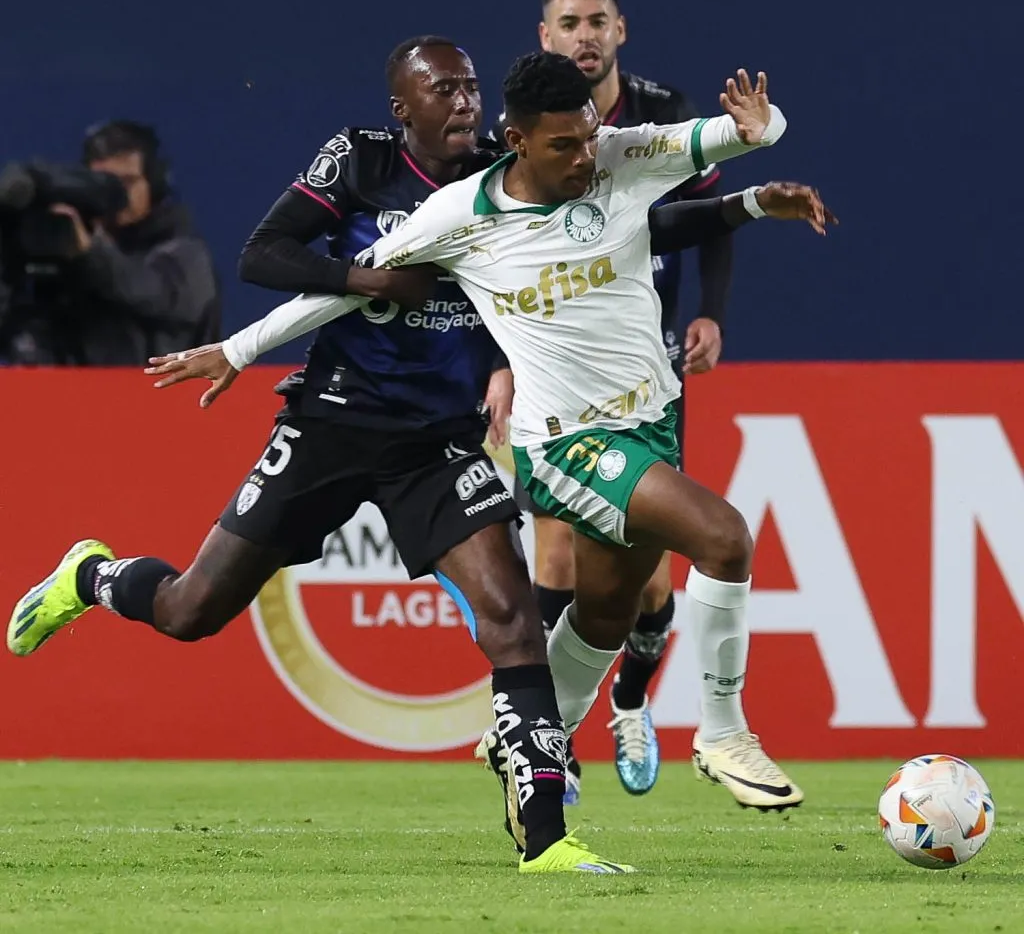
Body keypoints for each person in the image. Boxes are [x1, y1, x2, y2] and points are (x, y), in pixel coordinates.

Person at [135, 56, 833, 834]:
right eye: (563, 145)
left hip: (652, 420)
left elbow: (737, 137)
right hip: (566, 444)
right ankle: (724, 733)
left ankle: (531, 740)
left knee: (605, 614)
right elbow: (337, 287)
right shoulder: (454, 215)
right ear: (518, 141)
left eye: (590, 138)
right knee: (724, 537)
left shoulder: (620, 157)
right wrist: (237, 349)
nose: (584, 158)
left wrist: (757, 137)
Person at [6, 37, 634, 875]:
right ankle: (92, 577)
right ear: (402, 109)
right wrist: (367, 281)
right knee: (191, 610)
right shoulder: (362, 161)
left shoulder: (500, 172)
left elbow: (524, 277)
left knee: (514, 621)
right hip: (332, 425)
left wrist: (500, 365)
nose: (463, 104)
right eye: (442, 91)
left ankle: (547, 839)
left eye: (472, 88)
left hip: (436, 441)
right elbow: (264, 255)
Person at [493, 0, 741, 798]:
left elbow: (710, 213)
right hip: (558, 366)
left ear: (621, 30)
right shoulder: (525, 128)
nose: (583, 35)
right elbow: (497, 260)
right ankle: (542, 735)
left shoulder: (661, 114)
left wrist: (710, 312)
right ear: (545, 35)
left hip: (646, 362)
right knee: (559, 543)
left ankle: (627, 702)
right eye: (568, 21)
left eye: (597, 20)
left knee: (650, 573)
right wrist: (500, 360)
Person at [0, 121, 220, 365]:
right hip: (72, 397)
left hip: (165, 398)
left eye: (127, 183)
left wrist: (88, 252)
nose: (116, 196)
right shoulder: (68, 244)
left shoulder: (187, 255)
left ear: (154, 184)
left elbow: (143, 292)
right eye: (101, 182)